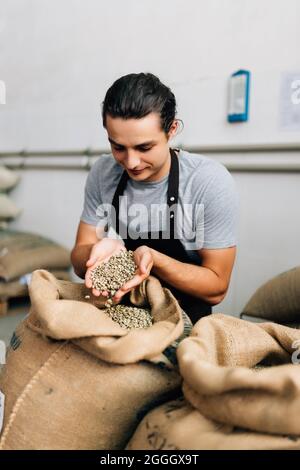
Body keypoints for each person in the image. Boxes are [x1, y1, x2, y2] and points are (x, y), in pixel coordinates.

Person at [71, 72, 239, 324]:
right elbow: (77, 258)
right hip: (125, 310)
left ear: (172, 129)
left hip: (185, 319)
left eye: (144, 147)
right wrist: (99, 252)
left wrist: (153, 258)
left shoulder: (208, 181)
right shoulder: (103, 173)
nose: (131, 162)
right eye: (118, 147)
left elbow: (217, 286)